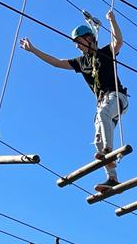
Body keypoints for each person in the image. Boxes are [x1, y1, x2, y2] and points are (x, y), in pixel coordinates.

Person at [20, 12, 128, 191]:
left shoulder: (105, 53)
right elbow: (57, 63)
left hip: (116, 97)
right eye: (75, 43)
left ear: (90, 39)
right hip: (103, 102)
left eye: (79, 41)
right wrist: (33, 50)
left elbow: (119, 42)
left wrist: (112, 21)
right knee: (98, 140)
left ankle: (109, 151)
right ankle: (112, 178)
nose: (77, 46)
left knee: (103, 115)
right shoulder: (81, 62)